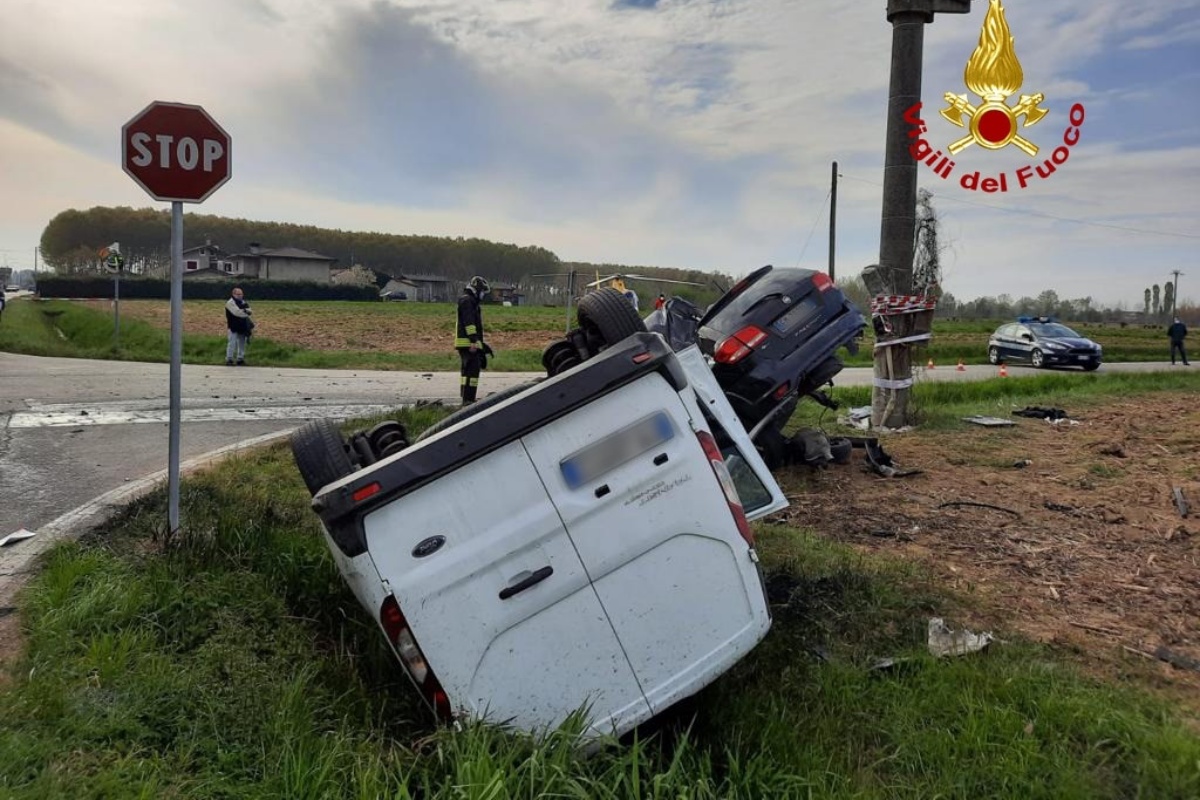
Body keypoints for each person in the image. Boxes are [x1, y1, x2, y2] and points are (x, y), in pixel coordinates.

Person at [455, 276, 493, 404]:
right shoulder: (468, 301)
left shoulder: (468, 300)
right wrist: (473, 341)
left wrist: (482, 346)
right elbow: (469, 323)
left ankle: (466, 398)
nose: (483, 295)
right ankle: (468, 400)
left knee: (466, 373)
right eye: (482, 292)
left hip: (466, 343)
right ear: (477, 289)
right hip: (468, 344)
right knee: (472, 374)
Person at [224, 286, 253, 365]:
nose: (240, 296)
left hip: (242, 325)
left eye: (241, 294)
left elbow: (250, 310)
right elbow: (236, 312)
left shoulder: (243, 301)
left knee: (242, 343)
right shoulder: (230, 303)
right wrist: (245, 312)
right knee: (232, 343)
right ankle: (229, 359)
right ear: (233, 294)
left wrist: (244, 311)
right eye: (238, 294)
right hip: (233, 326)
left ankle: (240, 359)